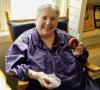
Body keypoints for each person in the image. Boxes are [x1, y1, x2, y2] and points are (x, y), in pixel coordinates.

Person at [5, 4, 100, 90]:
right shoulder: (25, 41)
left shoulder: (65, 36)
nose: (48, 23)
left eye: (53, 19)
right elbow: (11, 67)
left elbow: (83, 57)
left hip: (81, 84)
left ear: (57, 21)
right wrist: (37, 75)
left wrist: (78, 54)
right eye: (44, 18)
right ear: (36, 20)